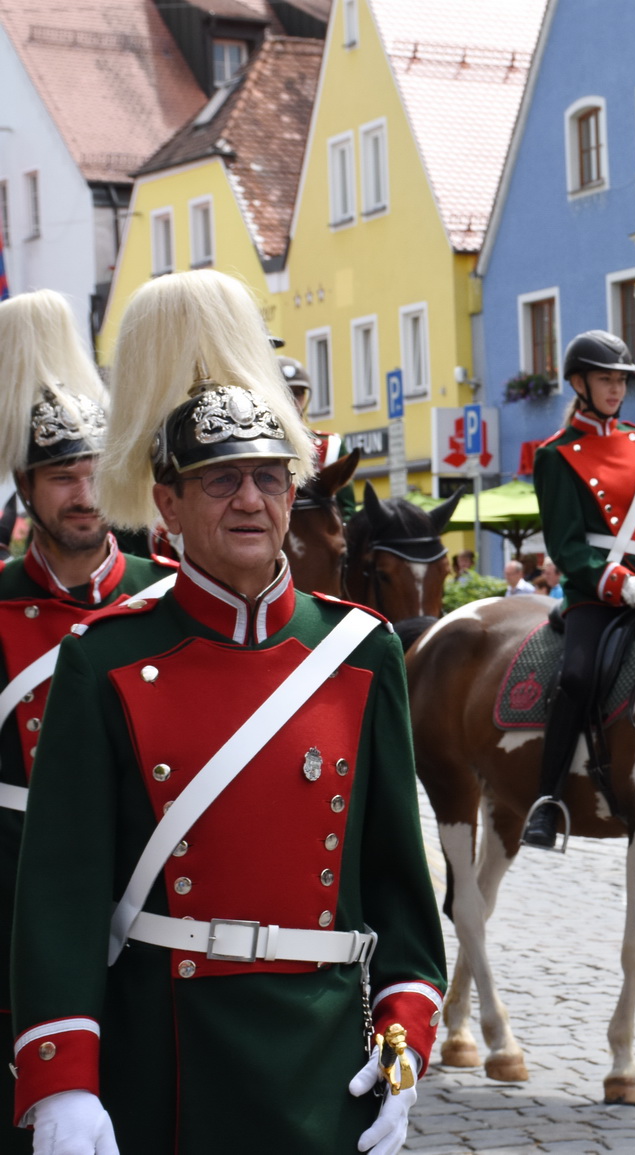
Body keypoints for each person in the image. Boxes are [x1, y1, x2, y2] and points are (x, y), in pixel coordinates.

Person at [9, 269, 445, 1155]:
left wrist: (407, 1035)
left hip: (324, 1055)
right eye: (218, 481)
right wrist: (60, 1079)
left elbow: (401, 884)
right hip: (165, 1050)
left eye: (267, 476)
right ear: (166, 502)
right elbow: (60, 892)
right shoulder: (104, 658)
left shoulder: (361, 651)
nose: (250, 499)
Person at [0, 291, 178, 1153]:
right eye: (61, 476)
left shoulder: (164, 596)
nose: (83, 494)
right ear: (26, 488)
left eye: (93, 471)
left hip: (147, 907)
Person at [522, 330, 635, 849]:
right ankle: (548, 798)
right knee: (578, 677)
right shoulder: (555, 456)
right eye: (605, 379)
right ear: (579, 383)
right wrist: (618, 582)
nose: (615, 389)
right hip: (597, 593)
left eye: (621, 381)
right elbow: (566, 547)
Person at [280, 355, 357, 519]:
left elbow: (347, 510)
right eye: (285, 393)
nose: (292, 401)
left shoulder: (330, 447)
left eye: (298, 393)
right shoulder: (256, 443)